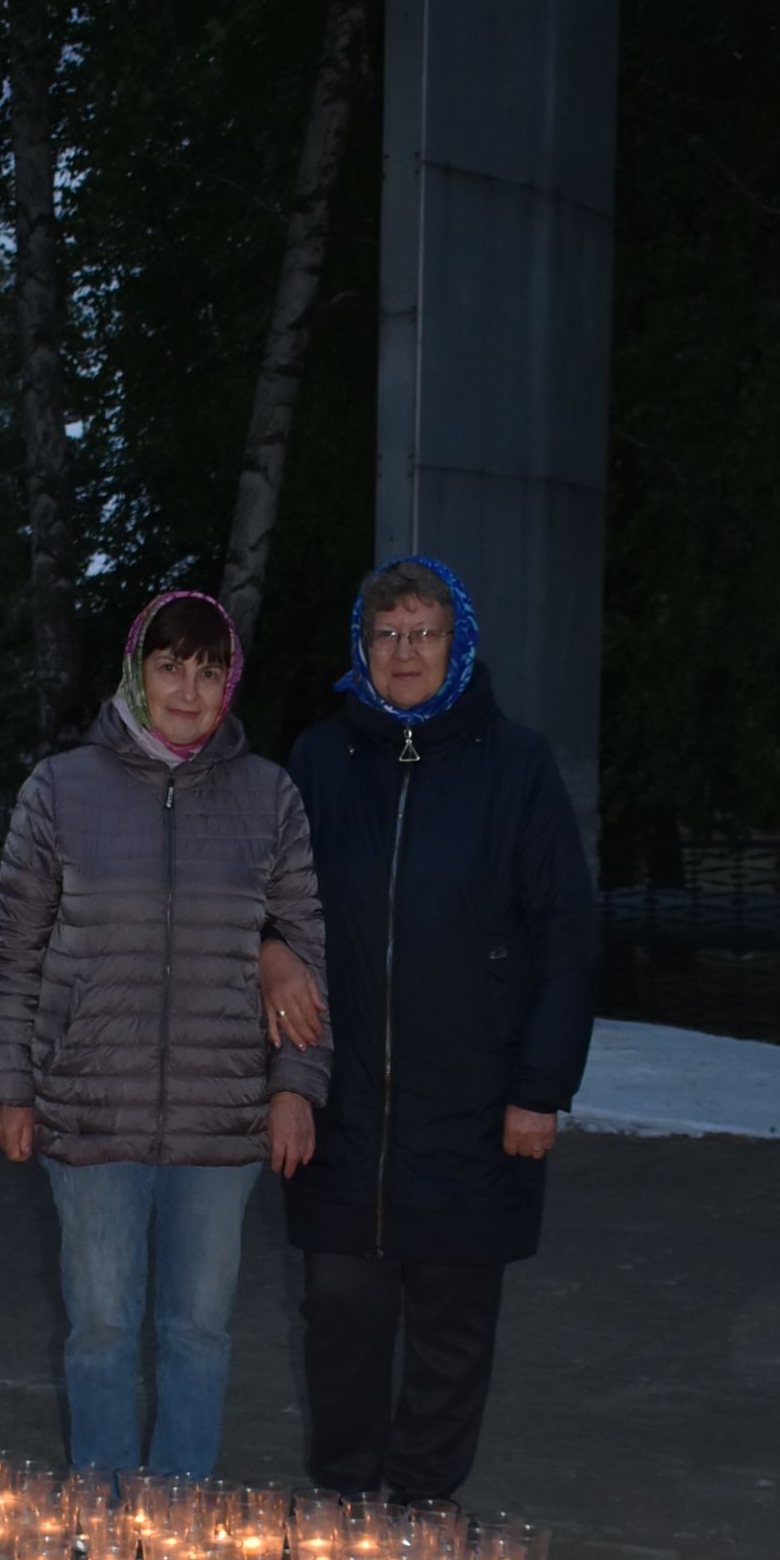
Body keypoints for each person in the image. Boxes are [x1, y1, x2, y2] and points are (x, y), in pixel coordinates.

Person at [259, 554, 596, 1504]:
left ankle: (415, 1524)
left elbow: (566, 935)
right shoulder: (322, 760)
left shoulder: (517, 766)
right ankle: (343, 1510)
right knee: (340, 1318)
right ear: (360, 649)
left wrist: (540, 1087)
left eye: (425, 633)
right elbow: (270, 894)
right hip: (344, 1104)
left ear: (460, 644)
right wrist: (270, 955)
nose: (405, 653)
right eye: (386, 634)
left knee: (451, 1328)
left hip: (474, 1104)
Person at [0, 590, 329, 1479]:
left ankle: (178, 1530)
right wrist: (8, 1084)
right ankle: (100, 1516)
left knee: (199, 1332)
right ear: (138, 672)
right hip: (90, 1115)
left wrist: (296, 1087)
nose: (189, 688)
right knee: (99, 1329)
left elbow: (305, 944)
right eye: (172, 665)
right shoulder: (60, 789)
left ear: (230, 686)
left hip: (223, 1122)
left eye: (211, 671)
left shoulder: (270, 796)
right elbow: (12, 951)